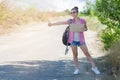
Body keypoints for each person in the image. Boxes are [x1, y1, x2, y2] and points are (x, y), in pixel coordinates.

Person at [48, 6, 100, 75]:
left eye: (74, 12)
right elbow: (61, 22)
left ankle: (94, 68)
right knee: (75, 55)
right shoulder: (70, 21)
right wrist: (52, 24)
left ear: (77, 13)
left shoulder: (82, 20)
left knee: (87, 54)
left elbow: (86, 29)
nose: (72, 13)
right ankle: (77, 69)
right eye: (71, 12)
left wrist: (83, 29)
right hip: (73, 41)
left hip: (81, 41)